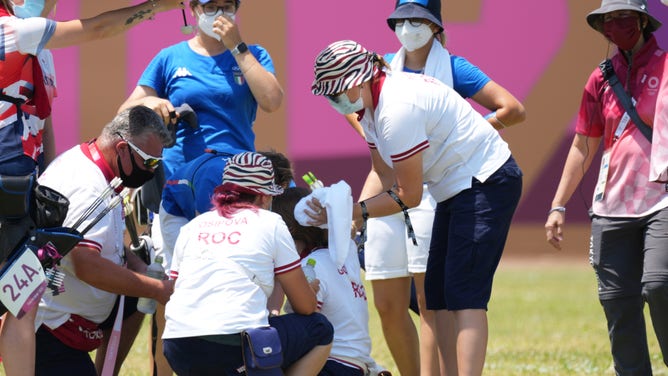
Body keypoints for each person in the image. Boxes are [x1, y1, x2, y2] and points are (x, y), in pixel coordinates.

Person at [310, 40, 523, 376]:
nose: (334, 99)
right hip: (453, 187)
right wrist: (349, 213)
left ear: (360, 80)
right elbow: (384, 176)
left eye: (337, 90)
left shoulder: (396, 108)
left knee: (464, 295)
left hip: (485, 179)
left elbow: (407, 196)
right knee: (436, 295)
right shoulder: (369, 110)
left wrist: (353, 213)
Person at [0, 1, 184, 375]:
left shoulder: (40, 49)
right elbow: (98, 28)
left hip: (24, 184)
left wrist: (44, 187)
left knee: (21, 300)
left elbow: (43, 117)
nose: (48, 3)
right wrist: (156, 7)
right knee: (17, 303)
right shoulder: (14, 30)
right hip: (4, 173)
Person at [544, 0, 668, 374]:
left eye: (622, 17)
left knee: (659, 285)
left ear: (644, 21)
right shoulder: (600, 77)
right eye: (606, 20)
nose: (613, 25)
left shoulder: (666, 65)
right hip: (611, 207)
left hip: (661, 199)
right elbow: (583, 145)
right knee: (617, 302)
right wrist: (557, 205)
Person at [162, 152, 333, 375]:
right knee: (320, 329)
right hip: (233, 345)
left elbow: (176, 288)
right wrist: (308, 292)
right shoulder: (271, 222)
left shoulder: (192, 227)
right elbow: (306, 307)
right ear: (264, 197)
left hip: (178, 346)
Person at [33, 106, 175, 375]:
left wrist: (140, 269)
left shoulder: (95, 166)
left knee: (136, 292)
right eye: (150, 162)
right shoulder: (87, 186)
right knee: (143, 290)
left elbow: (98, 242)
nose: (153, 170)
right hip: (53, 327)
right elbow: (86, 264)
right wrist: (156, 289)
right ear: (122, 148)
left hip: (68, 315)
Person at [148, 148, 293, 375]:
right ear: (264, 189)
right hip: (176, 209)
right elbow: (218, 252)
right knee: (188, 286)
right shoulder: (215, 181)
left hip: (186, 349)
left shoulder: (248, 170)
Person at [118, 0, 284, 179]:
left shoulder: (254, 54)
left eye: (227, 7)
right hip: (180, 175)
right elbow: (123, 114)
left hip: (236, 174)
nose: (220, 15)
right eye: (211, 7)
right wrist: (148, 102)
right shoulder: (170, 57)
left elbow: (272, 102)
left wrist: (237, 47)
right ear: (194, 10)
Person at [273, 187, 390, 376]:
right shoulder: (347, 254)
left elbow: (306, 321)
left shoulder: (311, 266)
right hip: (357, 363)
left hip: (330, 363)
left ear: (289, 230)